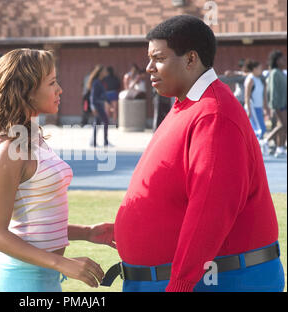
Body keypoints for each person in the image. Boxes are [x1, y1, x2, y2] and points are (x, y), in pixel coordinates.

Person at [102, 15, 284, 292]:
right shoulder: (188, 105)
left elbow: (212, 208)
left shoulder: (214, 113)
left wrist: (181, 283)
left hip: (216, 281)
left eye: (158, 58)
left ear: (190, 59)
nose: (149, 68)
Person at [0, 48, 115, 292]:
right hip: (19, 281)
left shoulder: (33, 137)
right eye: (51, 83)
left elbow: (36, 223)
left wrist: (88, 233)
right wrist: (63, 263)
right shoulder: (9, 147)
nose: (59, 89)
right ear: (25, 90)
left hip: (45, 280)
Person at [264, 50, 287, 158]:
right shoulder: (274, 73)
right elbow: (273, 91)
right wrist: (275, 106)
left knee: (283, 126)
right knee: (283, 125)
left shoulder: (282, 72)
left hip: (284, 104)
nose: (285, 60)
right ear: (277, 61)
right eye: (282, 59)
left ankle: (280, 148)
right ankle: (265, 141)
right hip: (278, 104)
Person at [244, 60, 270, 151]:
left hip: (259, 107)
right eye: (259, 68)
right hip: (252, 107)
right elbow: (247, 95)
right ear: (254, 69)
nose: (261, 70)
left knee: (261, 128)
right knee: (259, 129)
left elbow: (262, 95)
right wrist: (249, 110)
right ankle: (254, 148)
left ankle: (254, 148)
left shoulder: (259, 79)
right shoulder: (250, 79)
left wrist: (265, 108)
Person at [87, 65, 113, 147]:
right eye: (104, 71)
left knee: (97, 123)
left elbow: (104, 95)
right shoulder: (96, 82)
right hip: (97, 105)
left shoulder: (100, 81)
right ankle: (105, 141)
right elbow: (93, 96)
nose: (106, 72)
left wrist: (109, 103)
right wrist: (93, 107)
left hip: (100, 105)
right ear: (101, 72)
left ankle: (94, 142)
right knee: (105, 121)